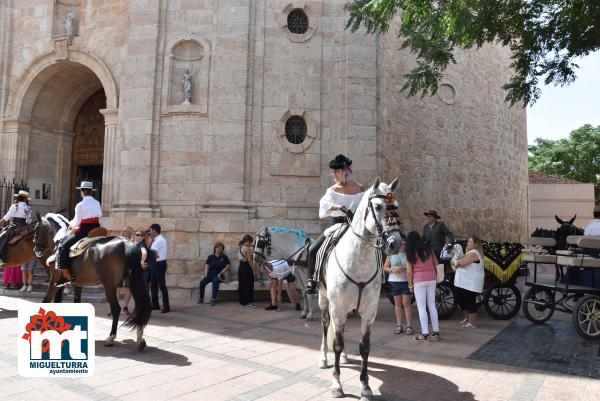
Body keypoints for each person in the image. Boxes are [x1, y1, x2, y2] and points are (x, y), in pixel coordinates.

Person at [305, 154, 365, 294]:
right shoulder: (331, 191)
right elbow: (323, 208)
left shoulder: (360, 189)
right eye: (333, 171)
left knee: (376, 244)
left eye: (336, 171)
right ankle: (311, 281)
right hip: (336, 225)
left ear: (346, 171)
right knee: (313, 249)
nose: (333, 174)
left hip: (355, 226)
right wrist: (337, 207)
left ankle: (381, 279)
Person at [55, 181, 102, 283]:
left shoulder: (80, 205)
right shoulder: (97, 203)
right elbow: (99, 215)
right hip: (97, 229)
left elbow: (76, 221)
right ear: (91, 192)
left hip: (85, 230)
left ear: (82, 192)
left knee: (62, 246)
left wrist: (70, 226)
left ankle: (66, 274)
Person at [406, 231, 440, 341]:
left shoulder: (410, 253)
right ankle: (436, 332)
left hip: (419, 280)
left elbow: (409, 272)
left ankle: (425, 333)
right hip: (432, 278)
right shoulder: (429, 249)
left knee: (421, 307)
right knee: (432, 305)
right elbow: (436, 262)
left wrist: (410, 284)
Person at [452, 236, 485, 329]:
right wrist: (457, 262)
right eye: (468, 241)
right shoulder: (469, 253)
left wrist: (456, 262)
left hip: (470, 283)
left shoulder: (474, 253)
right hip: (463, 283)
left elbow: (462, 263)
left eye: (470, 241)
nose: (468, 243)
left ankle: (472, 323)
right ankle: (467, 319)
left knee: (470, 302)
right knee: (462, 301)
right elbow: (458, 262)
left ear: (476, 244)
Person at [384, 234, 413, 335]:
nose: (403, 244)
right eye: (401, 243)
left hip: (406, 281)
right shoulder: (391, 253)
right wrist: (392, 270)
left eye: (404, 243)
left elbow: (412, 267)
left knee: (407, 304)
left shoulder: (408, 254)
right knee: (397, 304)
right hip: (394, 281)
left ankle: (409, 326)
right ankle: (399, 325)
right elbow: (385, 267)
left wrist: (404, 268)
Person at [0, 190, 32, 264]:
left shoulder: (14, 206)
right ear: (25, 199)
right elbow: (29, 221)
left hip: (15, 227)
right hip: (25, 227)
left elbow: (6, 218)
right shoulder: (28, 208)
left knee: (2, 237)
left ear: (18, 197)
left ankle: (2, 258)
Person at [149, 223, 170, 313]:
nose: (149, 232)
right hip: (155, 264)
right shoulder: (156, 240)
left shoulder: (159, 240)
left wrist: (149, 245)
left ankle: (166, 306)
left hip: (159, 264)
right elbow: (154, 254)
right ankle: (155, 305)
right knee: (153, 285)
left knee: (162, 286)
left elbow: (152, 253)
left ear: (154, 230)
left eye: (150, 230)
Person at [238, 234, 256, 308]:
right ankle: (248, 303)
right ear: (248, 241)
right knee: (248, 284)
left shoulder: (240, 247)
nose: (251, 243)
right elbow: (250, 261)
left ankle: (242, 302)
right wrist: (253, 270)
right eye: (251, 242)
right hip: (246, 267)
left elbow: (240, 259)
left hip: (241, 267)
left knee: (242, 285)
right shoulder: (247, 249)